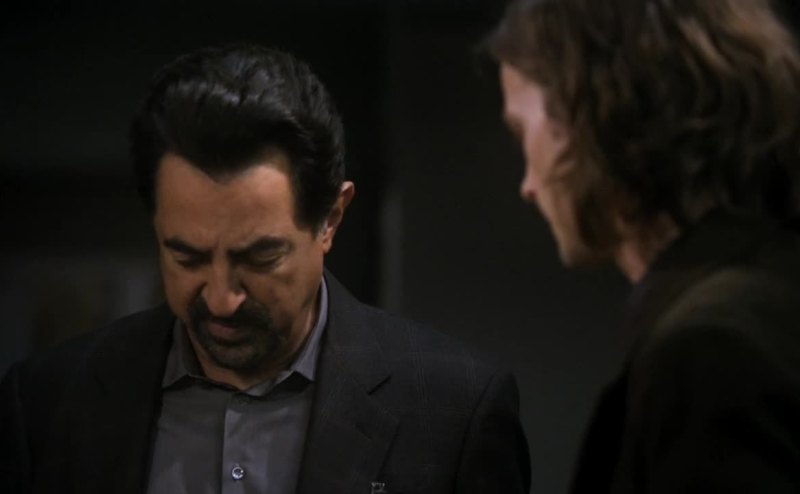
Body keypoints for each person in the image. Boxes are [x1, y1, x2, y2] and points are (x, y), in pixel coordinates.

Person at [0, 44, 530, 494]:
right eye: (187, 257)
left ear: (330, 220)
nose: (221, 298)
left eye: (259, 258)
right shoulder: (46, 405)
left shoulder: (454, 413)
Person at [487, 0, 800, 492]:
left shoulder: (710, 351)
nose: (528, 185)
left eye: (522, 131)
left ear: (587, 116)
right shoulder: (768, 294)